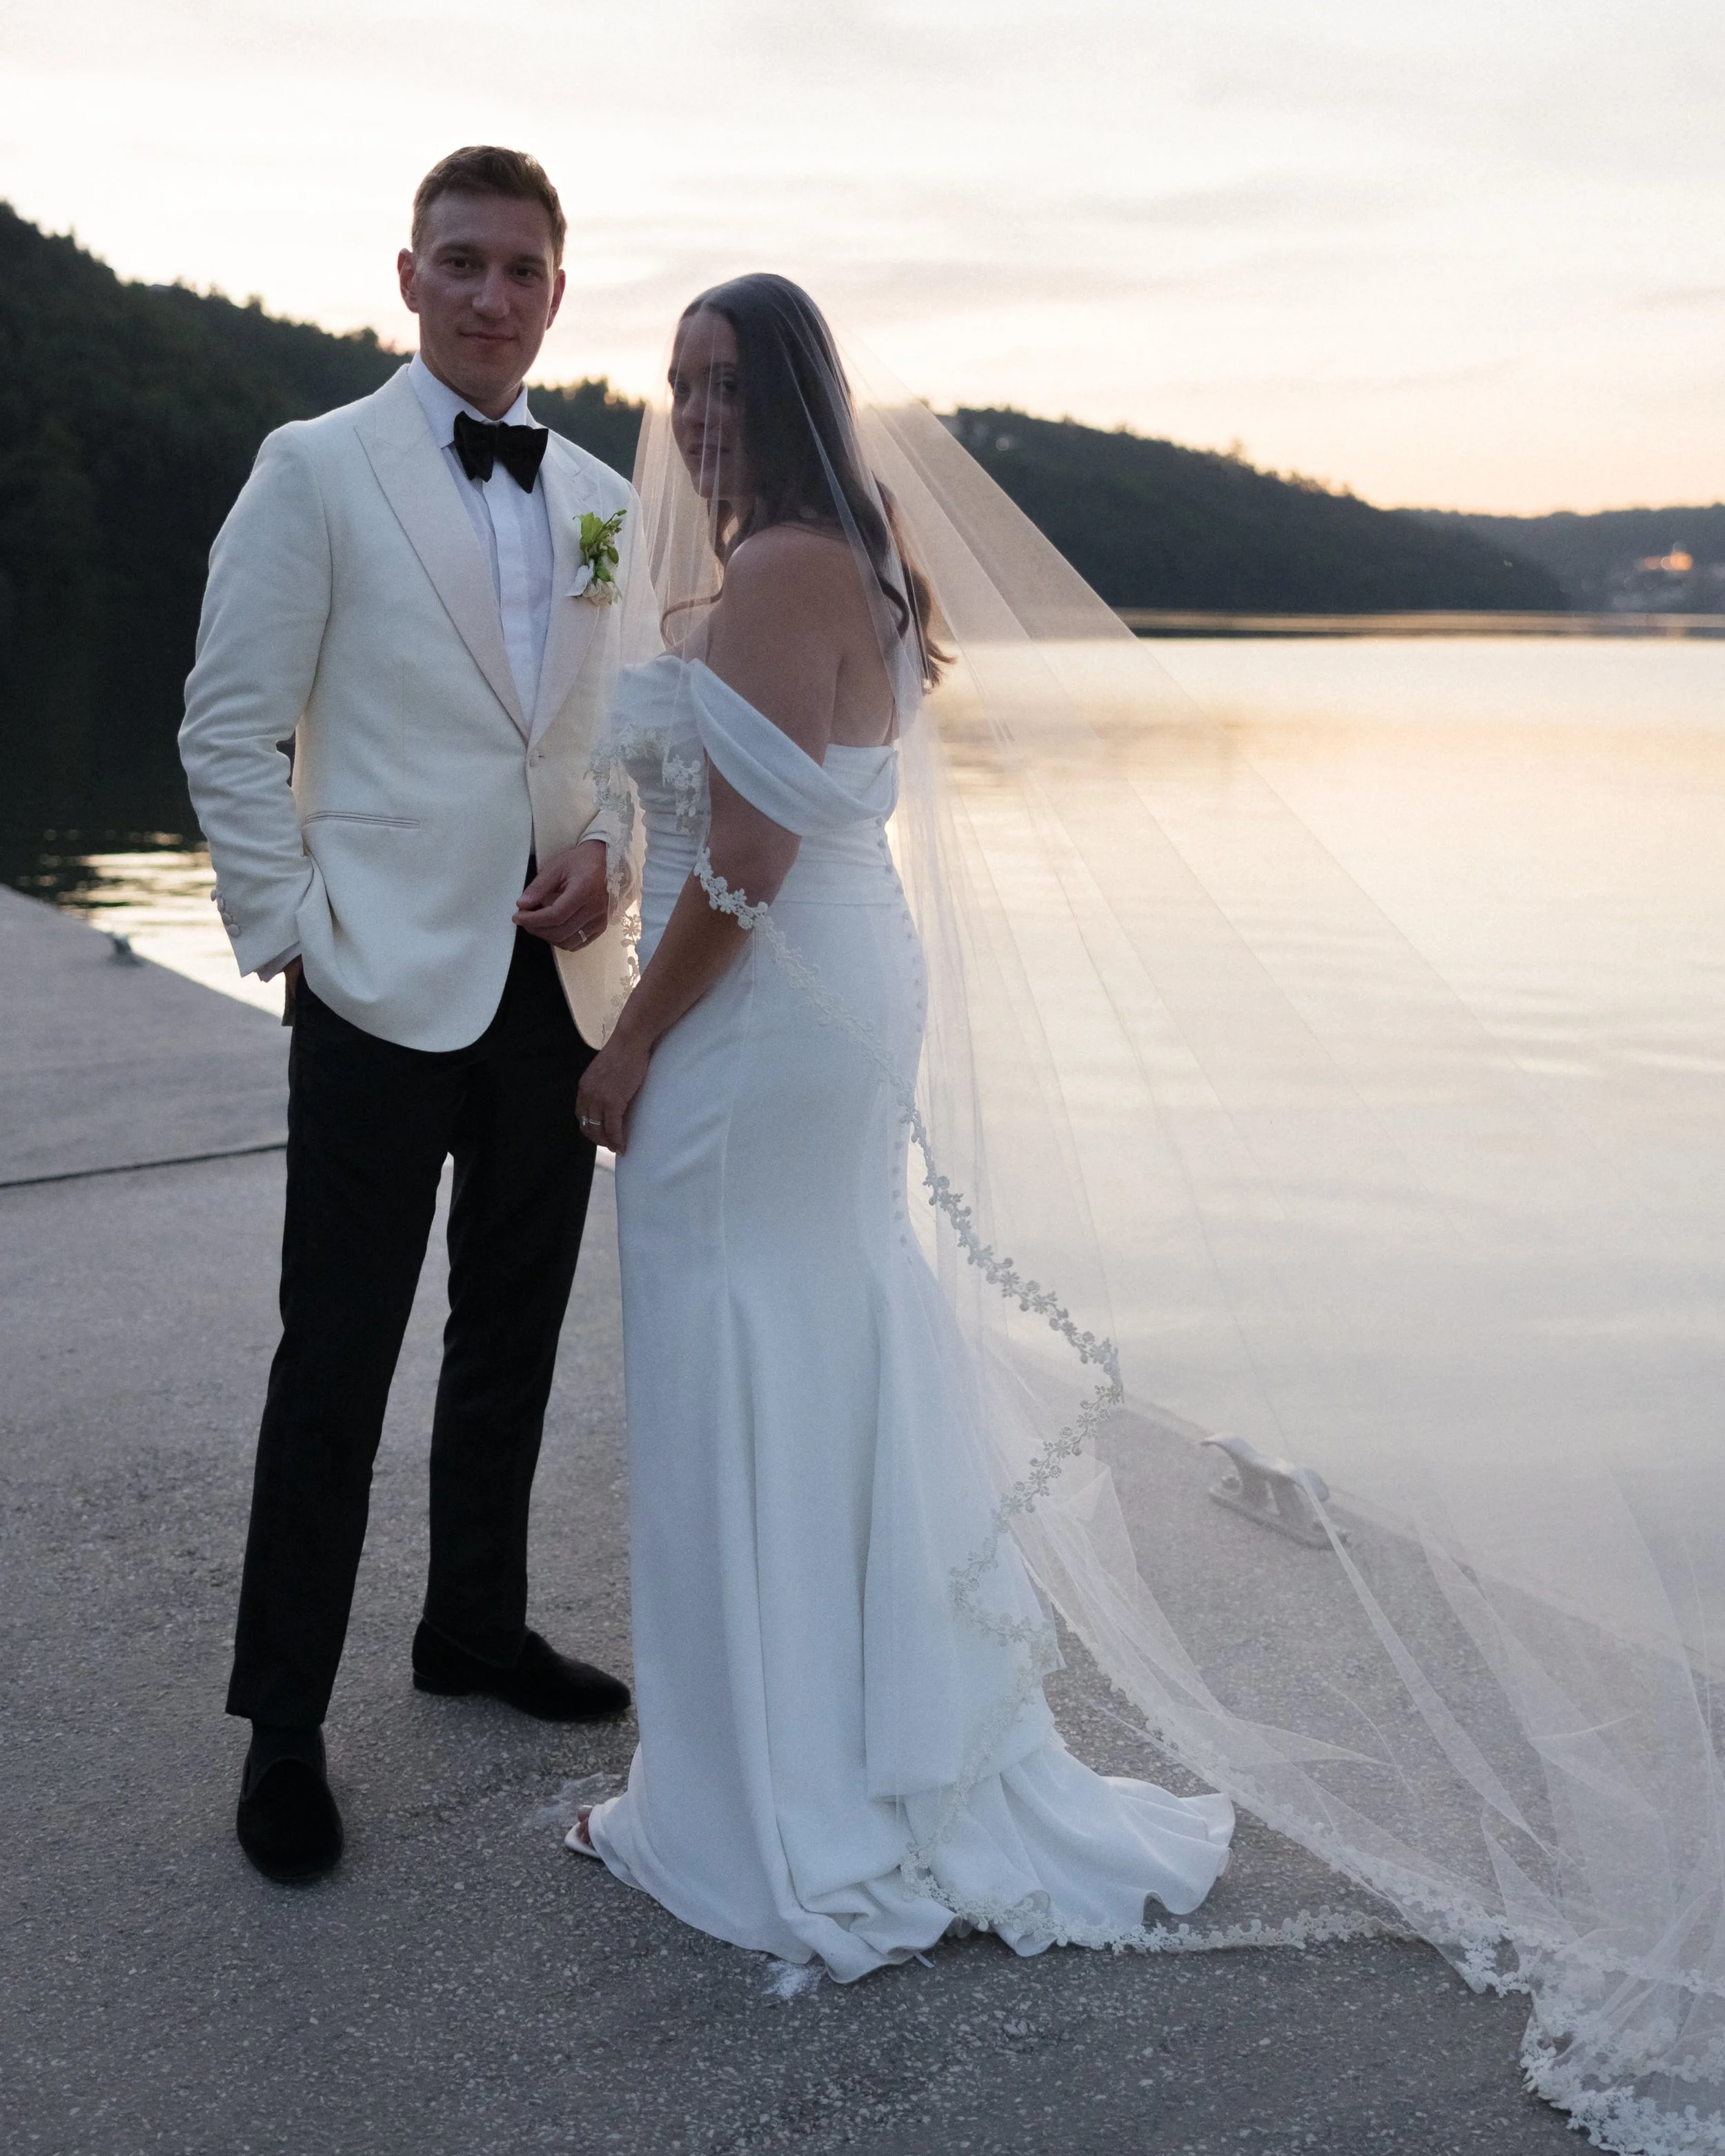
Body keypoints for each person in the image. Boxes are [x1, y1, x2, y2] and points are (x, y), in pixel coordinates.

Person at [562, 277, 1232, 1976]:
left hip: (762, 1000)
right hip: (819, 983)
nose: (695, 413)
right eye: (678, 382)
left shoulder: (784, 569)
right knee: (817, 1327)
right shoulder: (833, 561)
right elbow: (734, 824)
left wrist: (630, 1039)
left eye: (727, 383)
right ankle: (842, 1739)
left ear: (794, 394)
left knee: (734, 1336)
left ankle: (764, 1796)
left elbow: (752, 858)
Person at [179, 146, 635, 1886]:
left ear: (555, 291)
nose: (490, 295)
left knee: (512, 1332)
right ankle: (282, 1723)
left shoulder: (595, 489)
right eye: (461, 262)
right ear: (406, 273)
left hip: (549, 982)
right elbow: (229, 720)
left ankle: (475, 1624)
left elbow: (612, 740)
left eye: (521, 268)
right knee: (338, 1351)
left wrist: (606, 849)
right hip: (372, 975)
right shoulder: (313, 469)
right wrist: (286, 926)